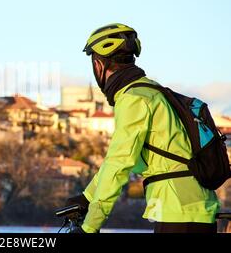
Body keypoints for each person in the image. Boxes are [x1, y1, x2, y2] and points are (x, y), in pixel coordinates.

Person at [67, 23, 220, 233]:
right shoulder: (152, 91)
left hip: (177, 209)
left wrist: (90, 226)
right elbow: (119, 159)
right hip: (195, 207)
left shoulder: (133, 99)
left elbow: (119, 163)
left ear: (98, 65)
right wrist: (88, 197)